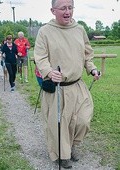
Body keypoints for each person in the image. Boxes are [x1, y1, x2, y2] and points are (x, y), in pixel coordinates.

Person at [34, 0, 100, 169]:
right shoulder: (45, 31)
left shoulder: (79, 29)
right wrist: (49, 72)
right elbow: (40, 57)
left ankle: (72, 145)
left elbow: (87, 53)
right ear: (52, 10)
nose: (68, 11)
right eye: (63, 8)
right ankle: (63, 154)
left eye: (70, 7)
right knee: (61, 125)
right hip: (57, 88)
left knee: (83, 120)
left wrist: (91, 69)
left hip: (77, 86)